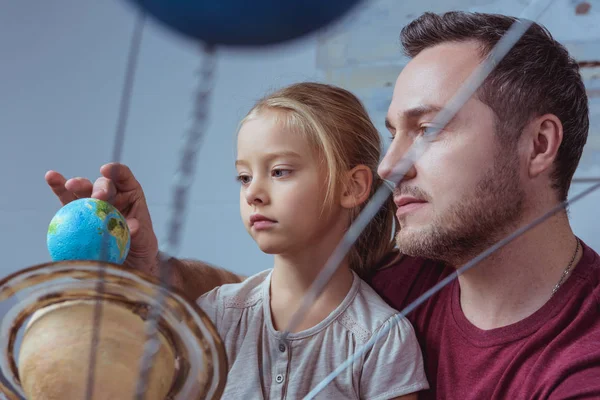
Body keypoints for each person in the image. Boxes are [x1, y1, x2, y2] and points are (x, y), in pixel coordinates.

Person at [46, 11, 600, 399]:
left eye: (428, 130)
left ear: (539, 145)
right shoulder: (409, 272)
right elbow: (272, 301)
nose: (390, 167)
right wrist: (151, 270)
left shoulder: (583, 363)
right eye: (392, 135)